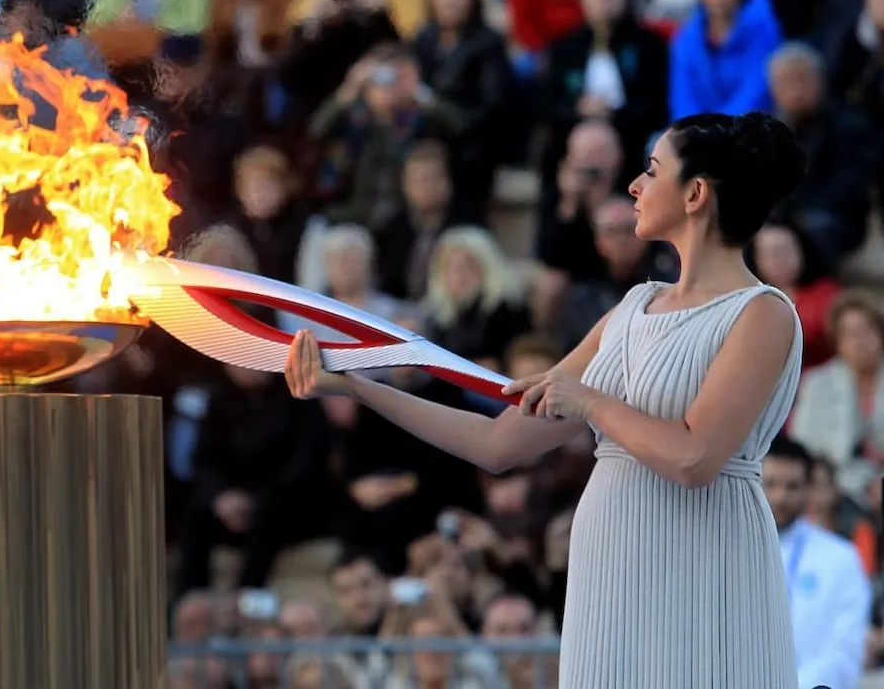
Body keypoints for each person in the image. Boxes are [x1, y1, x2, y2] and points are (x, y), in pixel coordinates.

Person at [284, 110, 809, 687]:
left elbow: (694, 457)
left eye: (652, 171)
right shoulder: (632, 307)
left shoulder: (761, 313)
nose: (634, 185)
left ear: (695, 194)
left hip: (707, 559)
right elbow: (499, 440)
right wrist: (357, 383)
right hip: (612, 558)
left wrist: (590, 403)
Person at [762, 436, 871, 689]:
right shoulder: (731, 550)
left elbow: (845, 650)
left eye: (792, 486)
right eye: (771, 484)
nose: (780, 497)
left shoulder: (840, 558)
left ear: (809, 488)